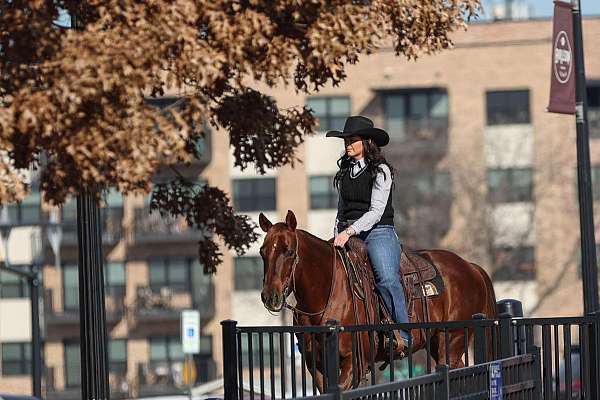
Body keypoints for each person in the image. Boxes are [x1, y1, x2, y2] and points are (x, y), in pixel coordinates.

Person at [327, 115, 411, 350]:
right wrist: (337, 232)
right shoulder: (345, 172)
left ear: (367, 142)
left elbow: (376, 212)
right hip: (347, 231)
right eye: (346, 140)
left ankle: (404, 334)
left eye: (352, 140)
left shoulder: (381, 170)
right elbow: (340, 209)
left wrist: (349, 232)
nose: (348, 145)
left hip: (378, 231)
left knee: (386, 278)